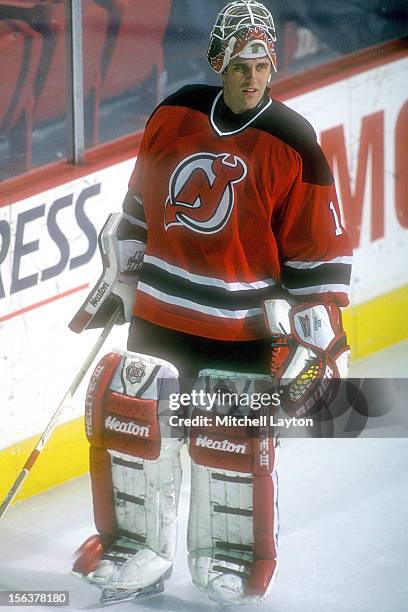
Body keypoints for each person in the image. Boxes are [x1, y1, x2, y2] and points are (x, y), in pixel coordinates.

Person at [71, 0, 352, 605]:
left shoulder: (293, 141)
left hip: (242, 330)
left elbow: (317, 256)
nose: (254, 78)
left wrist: (319, 333)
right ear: (218, 60)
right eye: (242, 64)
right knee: (139, 436)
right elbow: (138, 212)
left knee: (229, 446)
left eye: (264, 63)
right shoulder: (175, 113)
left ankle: (229, 556)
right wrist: (120, 275)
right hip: (160, 314)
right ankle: (138, 550)